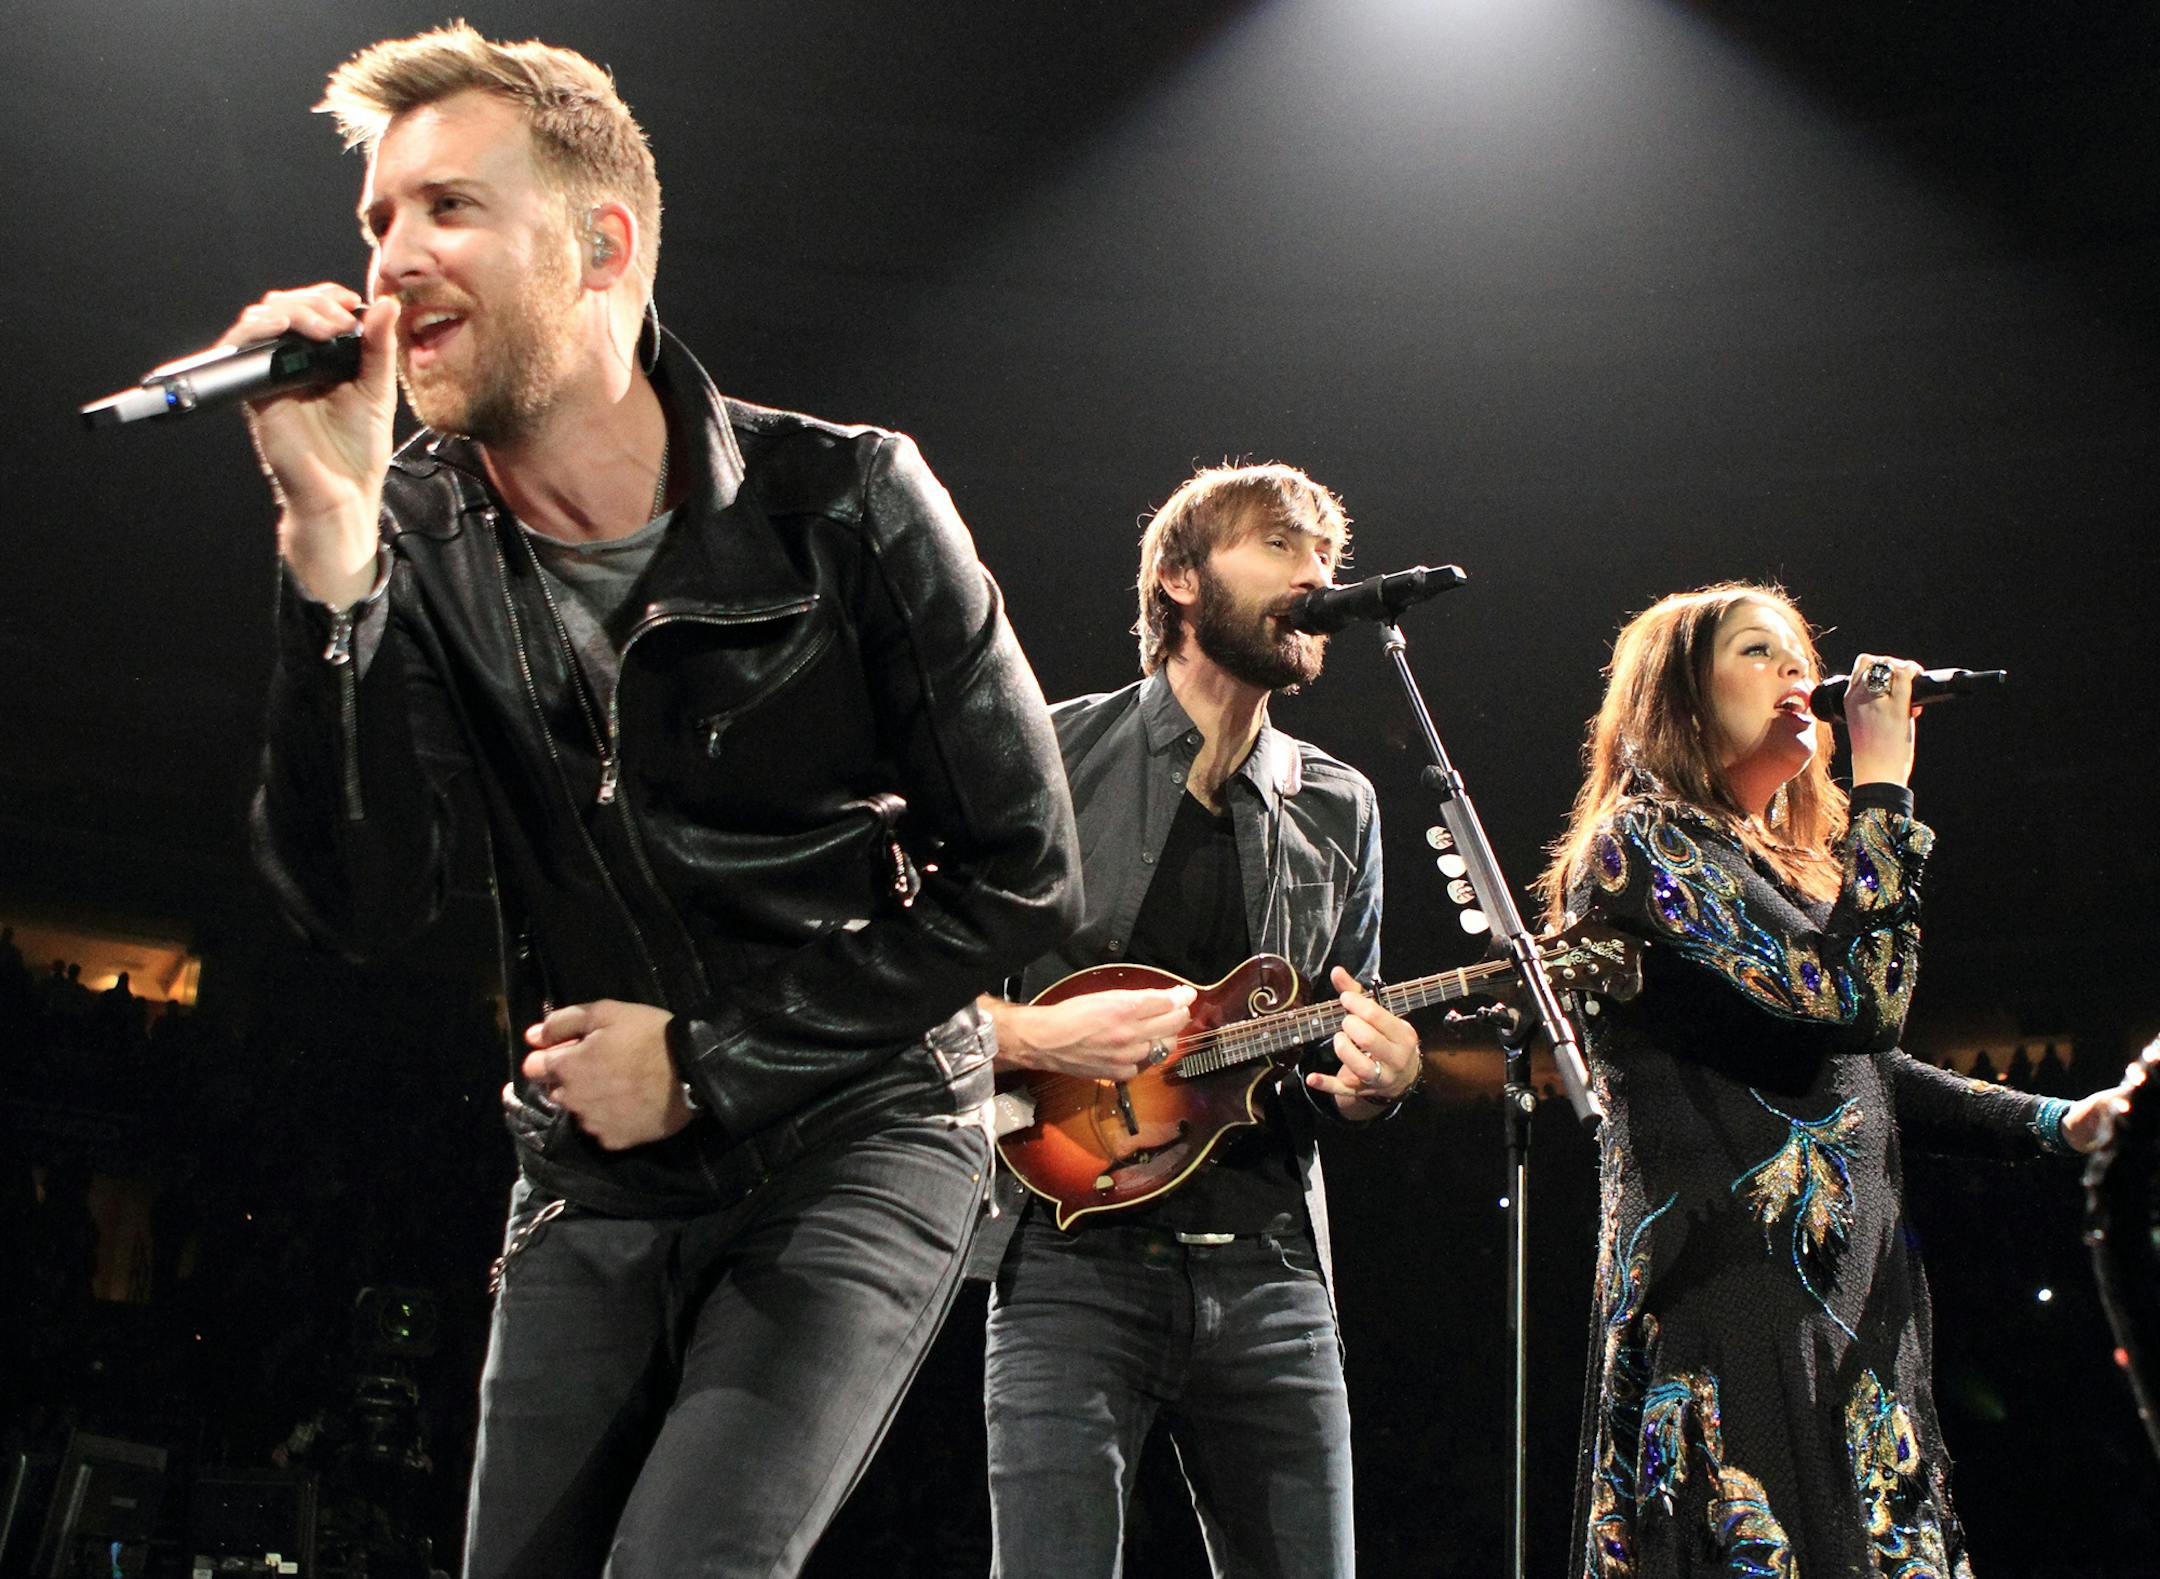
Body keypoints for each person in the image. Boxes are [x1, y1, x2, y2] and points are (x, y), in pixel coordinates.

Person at [237, 25, 1079, 1578]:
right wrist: (330, 548)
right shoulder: (402, 542)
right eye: (376, 221)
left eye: (448, 210)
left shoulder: (846, 504)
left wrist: (709, 1059)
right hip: (591, 1171)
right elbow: (361, 902)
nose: (390, 262)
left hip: (858, 1129)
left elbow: (1025, 871)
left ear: (601, 244)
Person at [1535, 583, 2137, 1578]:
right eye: (1757, 652)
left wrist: (2060, 1122)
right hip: (1728, 1299)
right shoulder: (1640, 847)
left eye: (1799, 656)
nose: (1797, 675)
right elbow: (1863, 1001)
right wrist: (1888, 787)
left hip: (1846, 1303)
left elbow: (1867, 1061)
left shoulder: (1790, 869)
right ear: (1679, 698)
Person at [972, 463, 1424, 1578]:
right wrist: (1034, 1038)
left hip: (1271, 1269)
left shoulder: (1338, 801)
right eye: (1279, 544)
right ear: (1177, 580)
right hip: (1071, 1257)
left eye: (1326, 555)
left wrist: (1387, 1070)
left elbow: (1343, 1024)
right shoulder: (1051, 753)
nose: (1316, 574)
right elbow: (930, 995)